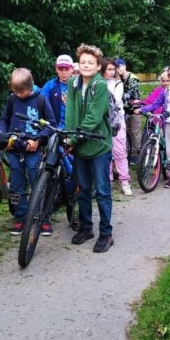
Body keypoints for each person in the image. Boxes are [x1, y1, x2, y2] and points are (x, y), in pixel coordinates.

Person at [65, 44, 114, 253]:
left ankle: (106, 233)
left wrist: (73, 140)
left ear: (97, 65)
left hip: (99, 145)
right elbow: (70, 112)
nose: (86, 65)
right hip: (80, 146)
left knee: (102, 191)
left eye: (90, 62)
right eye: (83, 62)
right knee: (83, 189)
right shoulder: (73, 83)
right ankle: (86, 228)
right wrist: (68, 136)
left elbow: (94, 117)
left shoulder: (100, 85)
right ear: (78, 63)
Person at [0, 68, 55, 236]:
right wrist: (4, 136)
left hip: (33, 150)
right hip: (14, 148)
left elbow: (50, 124)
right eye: (15, 90)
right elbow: (4, 119)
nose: (18, 94)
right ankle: (21, 217)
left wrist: (38, 140)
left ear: (30, 87)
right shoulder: (12, 100)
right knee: (17, 185)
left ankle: (42, 217)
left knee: (36, 181)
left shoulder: (41, 100)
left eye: (21, 91)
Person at [101, 58, 132, 196]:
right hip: (101, 121)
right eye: (109, 69)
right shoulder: (98, 82)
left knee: (119, 151)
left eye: (114, 69)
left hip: (116, 120)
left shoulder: (118, 83)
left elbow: (116, 100)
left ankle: (125, 181)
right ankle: (107, 181)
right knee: (104, 152)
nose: (112, 72)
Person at [116, 58, 142, 165]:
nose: (118, 69)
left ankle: (137, 155)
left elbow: (132, 93)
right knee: (127, 132)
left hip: (134, 110)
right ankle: (128, 152)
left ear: (124, 66)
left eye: (120, 66)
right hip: (125, 110)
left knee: (135, 132)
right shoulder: (119, 79)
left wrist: (118, 96)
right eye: (116, 67)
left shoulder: (132, 78)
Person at [40, 54, 74, 128]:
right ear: (56, 68)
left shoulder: (78, 86)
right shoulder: (50, 85)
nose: (64, 72)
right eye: (61, 69)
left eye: (67, 69)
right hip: (54, 127)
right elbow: (40, 103)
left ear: (72, 69)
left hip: (73, 128)